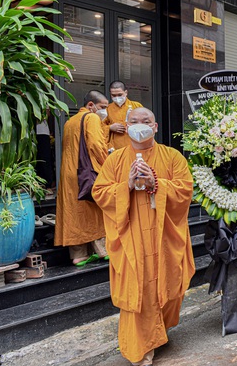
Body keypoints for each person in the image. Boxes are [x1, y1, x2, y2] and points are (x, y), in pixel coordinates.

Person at [92, 107, 195, 366]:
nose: (140, 125)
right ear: (126, 127)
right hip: (131, 239)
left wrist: (157, 184)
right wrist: (125, 185)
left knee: (169, 288)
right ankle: (141, 349)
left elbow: (185, 190)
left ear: (156, 127)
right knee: (138, 292)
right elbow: (100, 193)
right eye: (134, 121)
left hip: (164, 236)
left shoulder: (172, 157)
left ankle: (158, 332)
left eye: (146, 121)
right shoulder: (114, 162)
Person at [54, 90, 109, 266]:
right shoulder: (92, 118)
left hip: (70, 173)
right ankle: (102, 250)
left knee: (74, 211)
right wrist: (107, 162)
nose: (105, 112)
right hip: (87, 172)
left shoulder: (70, 121)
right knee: (94, 210)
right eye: (103, 107)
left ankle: (79, 255)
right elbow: (95, 144)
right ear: (91, 105)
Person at [102, 81, 143, 150]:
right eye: (114, 95)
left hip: (134, 146)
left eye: (120, 95)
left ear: (126, 92)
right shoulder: (107, 109)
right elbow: (100, 127)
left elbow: (145, 125)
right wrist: (110, 127)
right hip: (115, 148)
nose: (117, 97)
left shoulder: (136, 106)